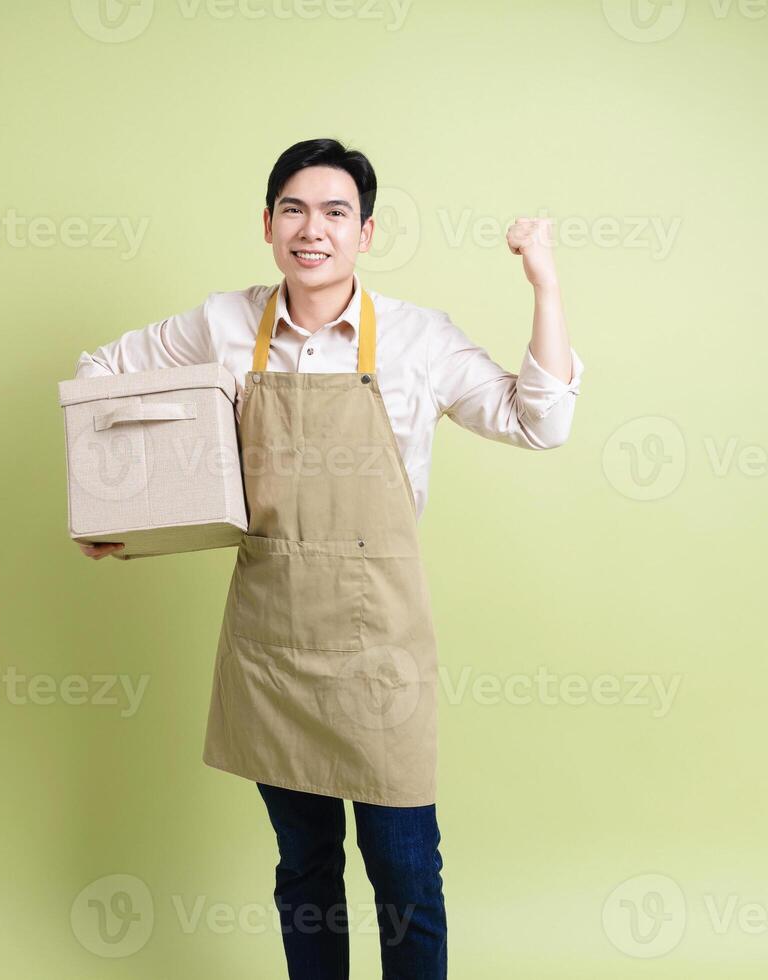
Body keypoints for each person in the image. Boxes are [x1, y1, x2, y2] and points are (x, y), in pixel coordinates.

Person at [72, 138, 583, 979]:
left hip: (380, 653)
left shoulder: (418, 340)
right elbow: (103, 378)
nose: (313, 229)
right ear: (268, 224)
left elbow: (540, 422)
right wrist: (121, 513)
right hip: (271, 647)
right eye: (295, 210)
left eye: (335, 213)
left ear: (365, 233)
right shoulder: (223, 324)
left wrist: (544, 284)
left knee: (406, 873)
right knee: (304, 873)